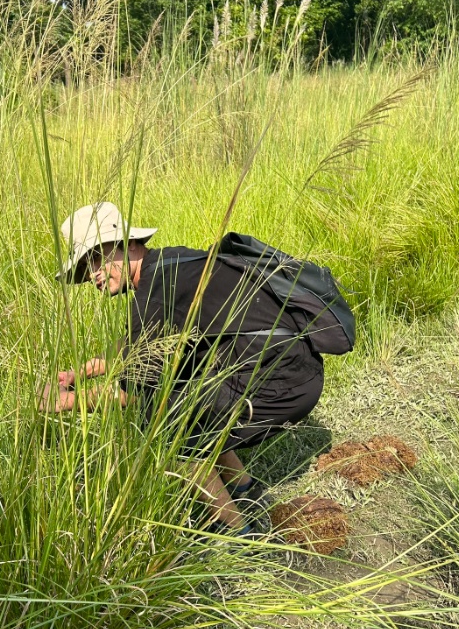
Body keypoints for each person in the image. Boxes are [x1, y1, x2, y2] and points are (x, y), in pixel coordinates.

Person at [40, 202, 325, 538]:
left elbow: (131, 393)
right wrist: (79, 374)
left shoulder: (155, 293)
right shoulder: (169, 265)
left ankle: (233, 531)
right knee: (186, 388)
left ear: (129, 244)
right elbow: (139, 345)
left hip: (282, 384)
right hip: (295, 369)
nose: (93, 274)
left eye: (98, 258)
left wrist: (64, 403)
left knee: (162, 413)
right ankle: (242, 486)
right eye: (87, 266)